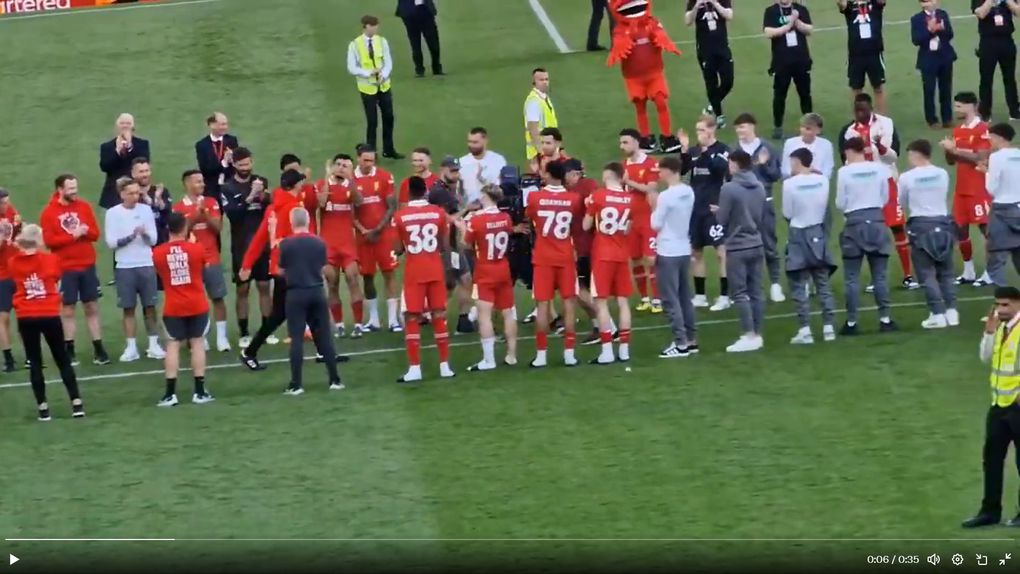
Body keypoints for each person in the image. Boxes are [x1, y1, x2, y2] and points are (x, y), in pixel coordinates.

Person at [837, 94, 919, 290]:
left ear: (871, 108)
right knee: (871, 229)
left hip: (887, 181)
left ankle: (908, 275)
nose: (860, 114)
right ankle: (876, 277)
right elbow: (846, 161)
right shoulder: (848, 131)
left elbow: (893, 158)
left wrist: (880, 146)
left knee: (897, 227)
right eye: (857, 110)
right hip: (864, 186)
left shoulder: (886, 124)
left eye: (863, 110)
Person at [239, 169, 314, 371]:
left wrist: (247, 264)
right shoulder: (295, 208)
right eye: (300, 182)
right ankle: (250, 352)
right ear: (294, 185)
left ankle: (250, 352)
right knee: (308, 304)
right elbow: (301, 239)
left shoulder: (272, 208)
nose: (302, 185)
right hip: (293, 268)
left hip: (278, 267)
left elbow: (259, 239)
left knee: (282, 313)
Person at [9, 224, 84, 421]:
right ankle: (76, 403)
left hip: (26, 315)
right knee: (62, 359)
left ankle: (43, 408)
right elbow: (56, 278)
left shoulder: (13, 262)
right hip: (49, 313)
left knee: (34, 362)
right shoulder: (51, 260)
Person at [962, 285, 1020, 529]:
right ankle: (989, 511)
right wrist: (988, 332)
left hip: (1017, 406)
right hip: (998, 405)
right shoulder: (1001, 328)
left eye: (1006, 304)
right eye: (997, 304)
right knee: (992, 459)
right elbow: (985, 357)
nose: (1000, 309)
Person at [40, 174, 110, 367]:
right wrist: (73, 235)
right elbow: (49, 241)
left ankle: (99, 348)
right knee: (68, 309)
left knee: (91, 306)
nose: (74, 192)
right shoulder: (49, 213)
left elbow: (95, 234)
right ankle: (69, 350)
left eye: (75, 188)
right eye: (70, 189)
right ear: (60, 190)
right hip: (65, 268)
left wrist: (86, 231)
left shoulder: (84, 206)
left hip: (87, 265)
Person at [393, 176, 455, 382]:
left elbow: (398, 248)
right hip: (435, 269)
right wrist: (449, 270)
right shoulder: (438, 213)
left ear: (409, 192)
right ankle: (445, 366)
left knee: (412, 317)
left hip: (414, 272)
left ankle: (415, 369)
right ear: (425, 192)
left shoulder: (400, 216)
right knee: (439, 315)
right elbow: (445, 245)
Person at [278, 208, 344, 395]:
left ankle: (296, 384)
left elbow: (281, 270)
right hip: (316, 291)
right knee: (325, 337)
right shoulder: (319, 242)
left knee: (296, 339)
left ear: (292, 222)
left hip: (296, 294)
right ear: (308, 221)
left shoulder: (286, 244)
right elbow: (323, 267)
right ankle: (335, 380)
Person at [835, 137, 897, 334]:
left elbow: (840, 202)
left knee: (852, 277)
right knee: (880, 275)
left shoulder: (844, 172)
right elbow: (885, 197)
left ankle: (852, 322)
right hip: (876, 220)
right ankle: (885, 319)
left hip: (854, 222)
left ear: (848, 151)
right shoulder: (879, 169)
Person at [152, 213, 214, 407]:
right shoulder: (197, 249)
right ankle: (200, 392)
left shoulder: (158, 253)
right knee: (197, 343)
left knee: (172, 346)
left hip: (173, 306)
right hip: (197, 303)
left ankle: (170, 394)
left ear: (168, 229)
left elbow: (159, 273)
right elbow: (207, 267)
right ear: (185, 228)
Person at [526, 162, 583, 368]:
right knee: (569, 304)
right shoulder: (573, 198)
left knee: (542, 305)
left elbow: (531, 218)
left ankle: (541, 355)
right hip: (565, 256)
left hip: (543, 258)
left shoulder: (535, 197)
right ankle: (569, 353)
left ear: (549, 175)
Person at [898, 139, 959, 329]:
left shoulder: (907, 177)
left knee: (926, 273)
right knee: (946, 271)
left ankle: (937, 314)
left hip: (921, 225)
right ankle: (952, 312)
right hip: (943, 223)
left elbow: (902, 201)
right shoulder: (942, 173)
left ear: (915, 154)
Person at [460, 183, 518, 371]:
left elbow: (465, 244)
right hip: (503, 268)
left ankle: (488, 360)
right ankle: (511, 355)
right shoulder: (506, 218)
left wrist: (462, 227)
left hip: (485, 270)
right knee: (508, 313)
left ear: (486, 196)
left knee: (484, 316)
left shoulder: (477, 220)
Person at [104, 177, 163, 362]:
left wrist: (144, 234)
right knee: (128, 308)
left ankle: (154, 345)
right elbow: (111, 243)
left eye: (137, 192)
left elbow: (153, 239)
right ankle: (131, 348)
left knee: (150, 306)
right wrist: (131, 236)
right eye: (130, 193)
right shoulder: (113, 213)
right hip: (125, 267)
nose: (135, 196)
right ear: (122, 194)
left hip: (146, 264)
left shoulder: (146, 210)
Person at [713, 150, 766, 353]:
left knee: (740, 293)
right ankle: (757, 334)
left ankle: (748, 335)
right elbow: (760, 215)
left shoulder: (729, 188)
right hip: (756, 242)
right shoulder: (759, 186)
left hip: (737, 245)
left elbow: (722, 219)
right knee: (756, 291)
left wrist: (718, 211)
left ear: (735, 164)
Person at [782, 148, 837, 344]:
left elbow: (787, 213)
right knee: (822, 283)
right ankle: (829, 327)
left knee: (798, 284)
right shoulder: (823, 181)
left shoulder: (789, 184)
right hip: (817, 233)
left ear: (797, 161)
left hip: (798, 233)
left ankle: (805, 330)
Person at [221, 147, 273, 347]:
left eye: (248, 164)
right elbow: (233, 215)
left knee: (264, 286)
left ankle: (267, 330)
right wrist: (251, 195)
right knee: (243, 288)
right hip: (241, 245)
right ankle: (244, 332)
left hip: (263, 244)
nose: (245, 168)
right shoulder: (227, 188)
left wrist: (264, 196)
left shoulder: (261, 181)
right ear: (234, 164)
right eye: (241, 165)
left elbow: (270, 206)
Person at [583, 162, 634, 365]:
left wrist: (589, 208)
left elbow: (586, 225)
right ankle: (624, 350)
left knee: (601, 302)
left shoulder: (598, 196)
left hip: (603, 254)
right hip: (621, 254)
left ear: (607, 175)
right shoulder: (630, 199)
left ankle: (607, 351)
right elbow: (627, 229)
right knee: (623, 301)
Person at [174, 170, 230, 352]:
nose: (202, 184)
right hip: (190, 261)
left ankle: (222, 338)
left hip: (211, 258)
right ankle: (199, 337)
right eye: (198, 181)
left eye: (202, 181)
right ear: (187, 184)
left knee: (218, 297)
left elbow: (217, 228)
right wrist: (195, 216)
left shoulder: (211, 202)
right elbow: (181, 232)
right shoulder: (178, 208)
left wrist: (204, 214)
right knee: (194, 301)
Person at [678, 117, 731, 311]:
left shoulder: (723, 150)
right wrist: (684, 150)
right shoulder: (693, 151)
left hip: (714, 208)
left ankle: (725, 296)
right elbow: (683, 170)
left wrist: (706, 150)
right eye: (697, 130)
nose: (698, 133)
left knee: (721, 252)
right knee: (696, 251)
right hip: (695, 208)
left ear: (712, 130)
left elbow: (719, 170)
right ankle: (700, 296)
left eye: (701, 130)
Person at [942, 92, 994, 286]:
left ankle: (990, 272)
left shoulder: (982, 129)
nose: (956, 109)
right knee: (960, 229)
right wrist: (948, 151)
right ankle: (969, 271)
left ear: (972, 106)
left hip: (979, 188)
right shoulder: (958, 131)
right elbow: (951, 161)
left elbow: (981, 157)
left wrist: (956, 150)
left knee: (986, 230)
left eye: (959, 106)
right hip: (961, 188)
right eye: (955, 106)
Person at [733, 113, 785, 303]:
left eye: (742, 127)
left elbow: (775, 175)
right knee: (743, 246)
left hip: (764, 203)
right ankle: (748, 287)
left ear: (752, 126)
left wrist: (764, 164)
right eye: (737, 128)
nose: (739, 131)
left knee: (769, 244)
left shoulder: (768, 148)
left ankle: (775, 285)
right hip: (742, 205)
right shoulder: (734, 150)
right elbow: (730, 176)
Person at [652, 156, 698, 358]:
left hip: (668, 250)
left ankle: (680, 344)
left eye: (661, 170)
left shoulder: (665, 196)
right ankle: (691, 339)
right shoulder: (688, 191)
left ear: (669, 171)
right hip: (683, 248)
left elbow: (656, 224)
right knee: (684, 297)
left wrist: (653, 206)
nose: (659, 174)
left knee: (671, 299)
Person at [316, 154, 367, 338]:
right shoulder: (322, 184)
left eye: (345, 165)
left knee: (353, 279)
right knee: (332, 283)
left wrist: (350, 180)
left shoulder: (352, 185)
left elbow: (359, 201)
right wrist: (327, 177)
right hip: (328, 245)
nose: (340, 168)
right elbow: (321, 203)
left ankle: (358, 324)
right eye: (338, 164)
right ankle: (338, 325)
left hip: (347, 244)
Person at [353, 145, 401, 333]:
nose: (368, 164)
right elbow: (349, 210)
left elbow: (392, 206)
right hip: (363, 236)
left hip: (384, 235)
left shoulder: (384, 176)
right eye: (365, 160)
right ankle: (373, 320)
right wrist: (364, 230)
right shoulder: (351, 179)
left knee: (389, 273)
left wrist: (377, 229)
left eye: (371, 161)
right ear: (358, 158)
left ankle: (393, 320)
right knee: (367, 276)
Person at [428, 156, 475, 334]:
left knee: (462, 279)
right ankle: (435, 316)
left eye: (457, 171)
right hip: (444, 246)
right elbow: (448, 219)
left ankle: (462, 321)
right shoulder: (439, 192)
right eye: (452, 171)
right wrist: (468, 209)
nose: (456, 174)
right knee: (450, 283)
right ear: (443, 170)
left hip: (451, 245)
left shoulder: (447, 188)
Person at [618, 129, 662, 313]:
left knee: (651, 259)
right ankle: (644, 298)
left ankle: (658, 299)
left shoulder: (650, 163)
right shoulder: (623, 166)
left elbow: (651, 189)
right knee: (635, 259)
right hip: (631, 220)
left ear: (636, 142)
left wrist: (628, 182)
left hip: (648, 218)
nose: (622, 146)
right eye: (621, 143)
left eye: (625, 142)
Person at [348, 15, 402, 160]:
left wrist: (384, 74)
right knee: (372, 121)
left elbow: (388, 61)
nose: (375, 29)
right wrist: (368, 73)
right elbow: (351, 67)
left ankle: (388, 149)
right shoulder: (355, 45)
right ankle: (370, 153)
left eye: (376, 26)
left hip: (384, 86)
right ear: (365, 26)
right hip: (367, 88)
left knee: (389, 117)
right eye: (373, 26)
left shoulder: (382, 41)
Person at [565, 159, 607, 345]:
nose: (565, 179)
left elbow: (596, 208)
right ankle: (599, 326)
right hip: (579, 246)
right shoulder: (580, 187)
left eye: (567, 175)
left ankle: (608, 326)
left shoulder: (586, 187)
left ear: (575, 173)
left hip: (586, 247)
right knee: (581, 290)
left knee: (579, 289)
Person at [762, 0, 814, 140]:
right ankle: (778, 126)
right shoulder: (771, 11)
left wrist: (797, 21)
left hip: (801, 60)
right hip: (781, 62)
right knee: (779, 96)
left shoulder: (800, 9)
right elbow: (768, 32)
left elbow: (809, 30)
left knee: (805, 95)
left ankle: (809, 125)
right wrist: (789, 25)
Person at [685, 0, 735, 128]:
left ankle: (712, 105)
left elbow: (729, 16)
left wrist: (715, 3)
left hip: (722, 48)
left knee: (728, 81)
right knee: (711, 83)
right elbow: (688, 21)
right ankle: (719, 115)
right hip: (705, 50)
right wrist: (697, 6)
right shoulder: (694, 1)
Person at [982, 123, 1020, 286]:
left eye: (991, 137)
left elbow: (991, 189)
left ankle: (1004, 297)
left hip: (1002, 210)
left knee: (996, 260)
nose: (990, 140)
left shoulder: (996, 157)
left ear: (1000, 137)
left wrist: (986, 173)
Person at [911, 0, 957, 129]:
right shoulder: (917, 19)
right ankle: (931, 120)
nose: (928, 4)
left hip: (944, 57)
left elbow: (950, 34)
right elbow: (916, 40)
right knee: (929, 90)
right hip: (928, 59)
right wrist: (930, 30)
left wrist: (941, 29)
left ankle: (947, 118)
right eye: (925, 2)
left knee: (946, 89)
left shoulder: (943, 14)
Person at [838, 0, 888, 115]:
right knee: (856, 89)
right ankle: (858, 119)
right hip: (855, 55)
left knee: (878, 88)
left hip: (874, 53)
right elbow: (841, 4)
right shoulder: (850, 6)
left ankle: (882, 119)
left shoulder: (875, 4)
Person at [973, 0, 1020, 122]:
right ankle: (985, 112)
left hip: (1007, 41)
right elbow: (981, 13)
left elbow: (1018, 12)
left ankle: (1014, 111)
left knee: (1010, 78)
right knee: (986, 79)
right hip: (988, 42)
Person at [99, 113, 150, 210]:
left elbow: (143, 163)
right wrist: (117, 151)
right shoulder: (107, 146)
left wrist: (130, 146)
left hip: (136, 193)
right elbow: (104, 167)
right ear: (117, 126)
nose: (125, 126)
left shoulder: (142, 144)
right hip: (113, 194)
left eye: (128, 123)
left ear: (133, 126)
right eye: (122, 123)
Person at [195, 112, 238, 203]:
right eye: (222, 124)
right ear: (212, 125)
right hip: (211, 189)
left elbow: (237, 165)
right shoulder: (202, 145)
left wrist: (233, 159)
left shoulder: (232, 141)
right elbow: (205, 169)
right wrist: (224, 162)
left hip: (230, 186)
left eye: (226, 124)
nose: (225, 127)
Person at [460, 127, 508, 206]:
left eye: (475, 142)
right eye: (469, 142)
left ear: (485, 141)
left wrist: (481, 179)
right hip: (470, 209)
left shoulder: (498, 161)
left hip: (492, 208)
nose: (471, 145)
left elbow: (500, 190)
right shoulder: (462, 162)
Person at [395, 0, 443, 78]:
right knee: (415, 43)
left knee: (434, 43)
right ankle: (419, 69)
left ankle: (436, 68)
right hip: (409, 12)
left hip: (425, 10)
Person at [0, 188, 20, 372]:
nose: (6, 205)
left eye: (7, 201)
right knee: (3, 317)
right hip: (1, 276)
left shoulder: (11, 211)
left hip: (18, 271)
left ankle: (31, 356)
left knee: (26, 315)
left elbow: (19, 230)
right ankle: (8, 358)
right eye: (3, 203)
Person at [780, 113, 835, 180]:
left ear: (818, 130)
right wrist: (801, 175)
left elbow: (828, 167)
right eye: (802, 127)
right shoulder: (790, 143)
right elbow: (785, 167)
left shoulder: (826, 144)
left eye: (808, 128)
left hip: (818, 181)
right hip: (795, 181)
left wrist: (818, 178)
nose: (803, 131)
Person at [131, 158, 172, 246]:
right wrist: (146, 198)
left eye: (147, 171)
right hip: (139, 243)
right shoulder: (130, 194)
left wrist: (158, 198)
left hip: (160, 241)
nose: (145, 175)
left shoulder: (162, 191)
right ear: (133, 174)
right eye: (141, 172)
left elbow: (167, 213)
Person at [524, 69, 559, 162]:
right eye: (541, 80)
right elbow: (533, 130)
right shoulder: (534, 101)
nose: (545, 82)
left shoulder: (543, 98)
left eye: (546, 79)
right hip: (539, 153)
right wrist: (542, 154)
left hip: (549, 150)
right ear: (534, 82)